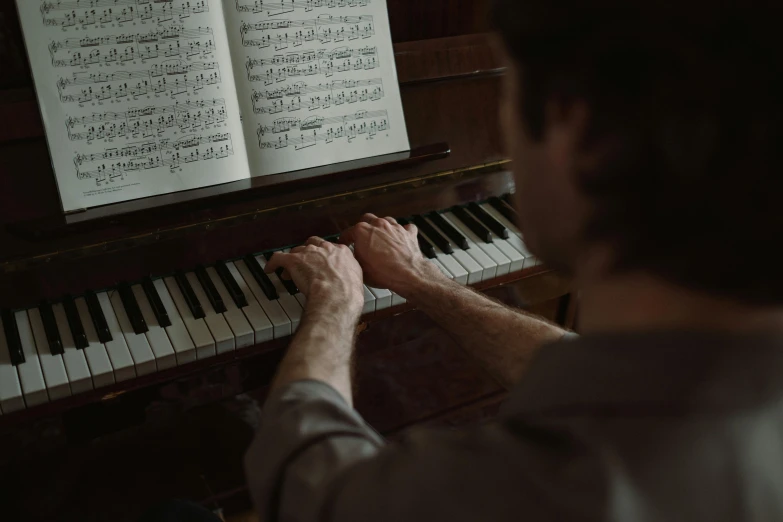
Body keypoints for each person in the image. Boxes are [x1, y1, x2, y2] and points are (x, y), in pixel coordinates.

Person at [244, 2, 783, 521]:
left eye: (504, 92)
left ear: (577, 132)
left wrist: (336, 302)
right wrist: (422, 279)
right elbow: (622, 379)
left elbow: (305, 488)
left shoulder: (533, 487)